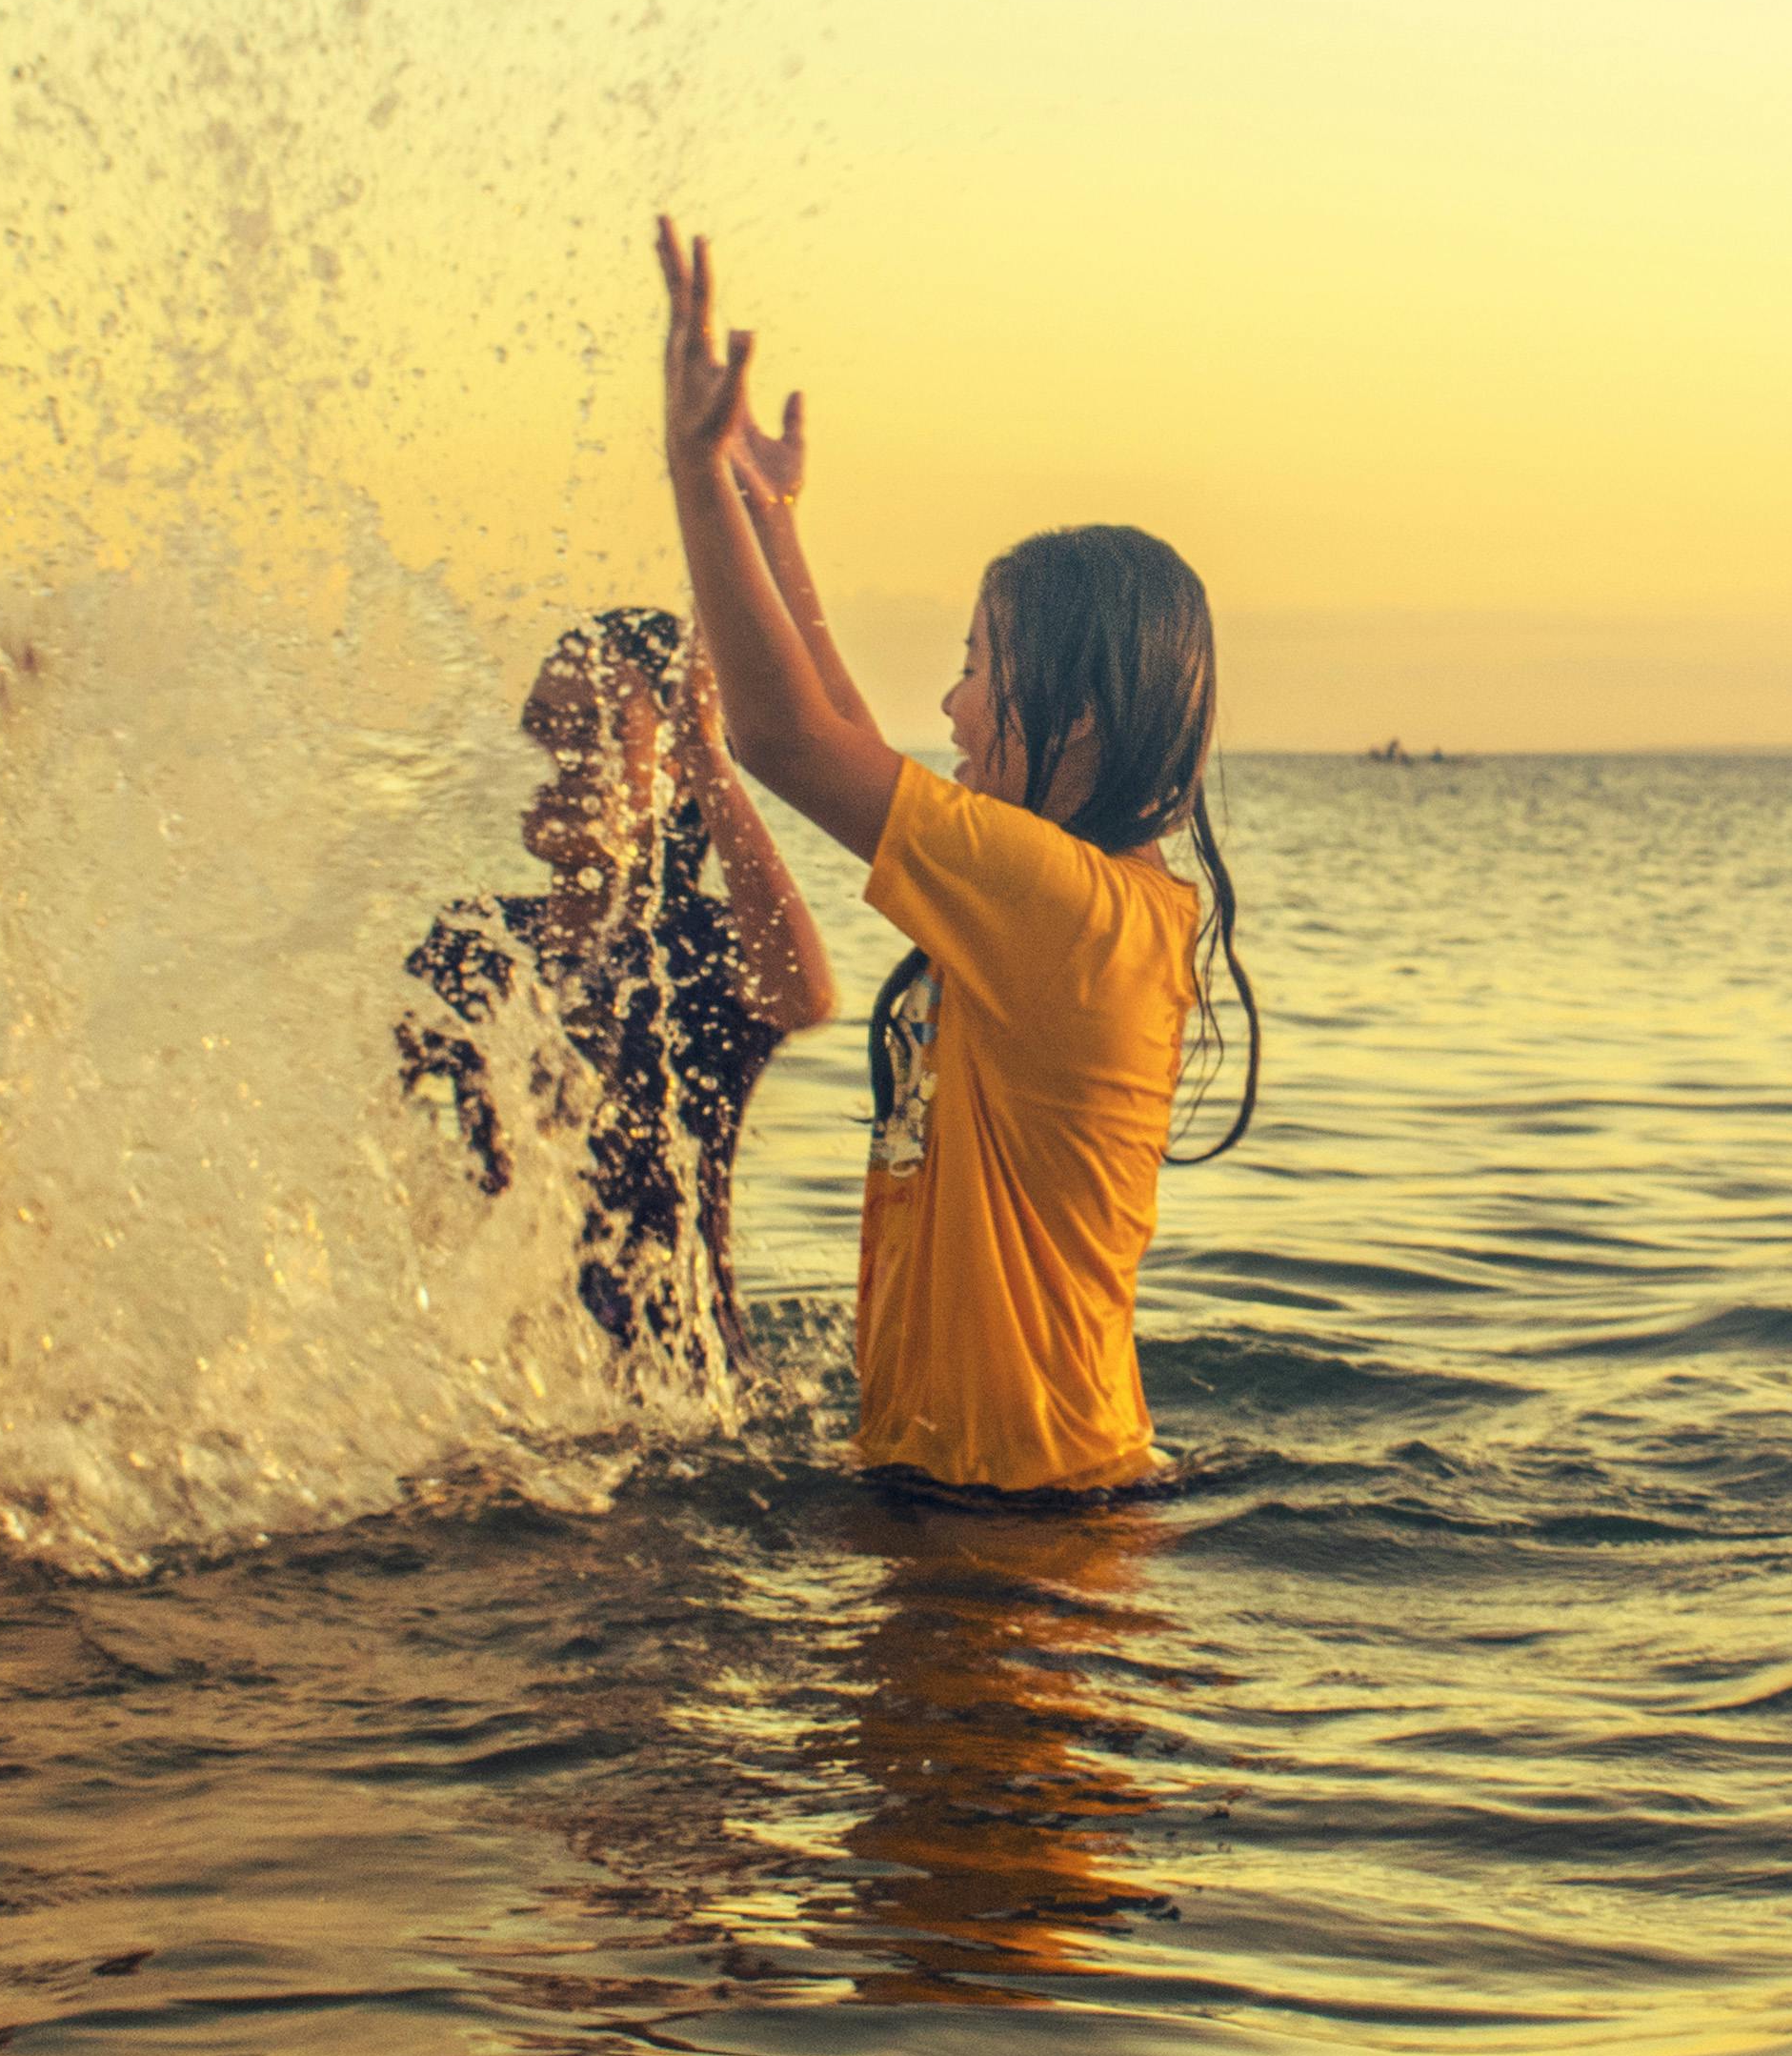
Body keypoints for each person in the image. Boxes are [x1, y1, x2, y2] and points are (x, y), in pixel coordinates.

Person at [650, 219, 1258, 1503]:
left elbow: (786, 739)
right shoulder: (1059, 897)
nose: (954, 704)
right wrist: (774, 522)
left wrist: (695, 478)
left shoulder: (1068, 913)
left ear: (1077, 716)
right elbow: (848, 746)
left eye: (980, 669)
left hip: (1019, 1529)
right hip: (981, 1502)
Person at [399, 607, 833, 1356]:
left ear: (674, 770)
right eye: (539, 727)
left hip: (681, 1393)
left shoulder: (698, 951)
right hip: (512, 1377)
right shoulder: (478, 942)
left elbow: (803, 995)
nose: (553, 757)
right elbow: (357, 1099)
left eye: (596, 732)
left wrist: (707, 753)